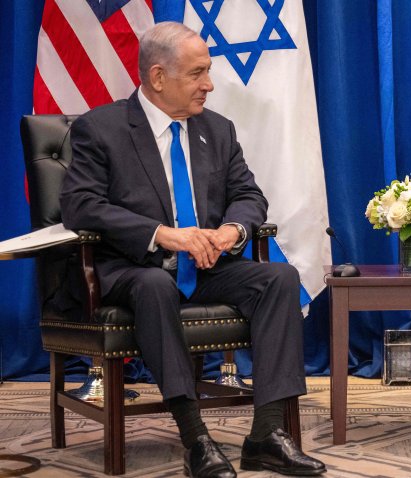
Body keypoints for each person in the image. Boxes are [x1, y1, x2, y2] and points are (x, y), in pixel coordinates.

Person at [60, 22, 326, 478]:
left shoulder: (217, 130)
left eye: (208, 72)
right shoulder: (100, 129)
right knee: (154, 285)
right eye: (198, 73)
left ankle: (265, 435)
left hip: (205, 265)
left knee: (279, 278)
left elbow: (249, 196)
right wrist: (161, 233)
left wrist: (232, 231)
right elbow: (80, 205)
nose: (209, 84)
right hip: (132, 268)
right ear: (158, 77)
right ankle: (195, 438)